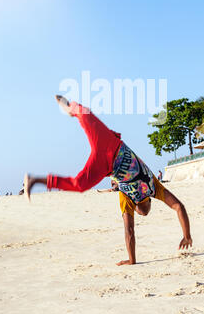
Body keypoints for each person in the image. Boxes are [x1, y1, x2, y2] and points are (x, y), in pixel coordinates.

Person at [23, 96, 192, 265]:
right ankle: (69, 107)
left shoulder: (129, 198)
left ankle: (35, 180)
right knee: (85, 114)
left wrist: (132, 260)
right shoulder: (154, 187)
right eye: (144, 211)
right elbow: (178, 207)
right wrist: (186, 235)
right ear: (149, 202)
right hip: (112, 145)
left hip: (105, 162)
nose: (143, 213)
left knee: (79, 184)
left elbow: (130, 230)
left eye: (141, 213)